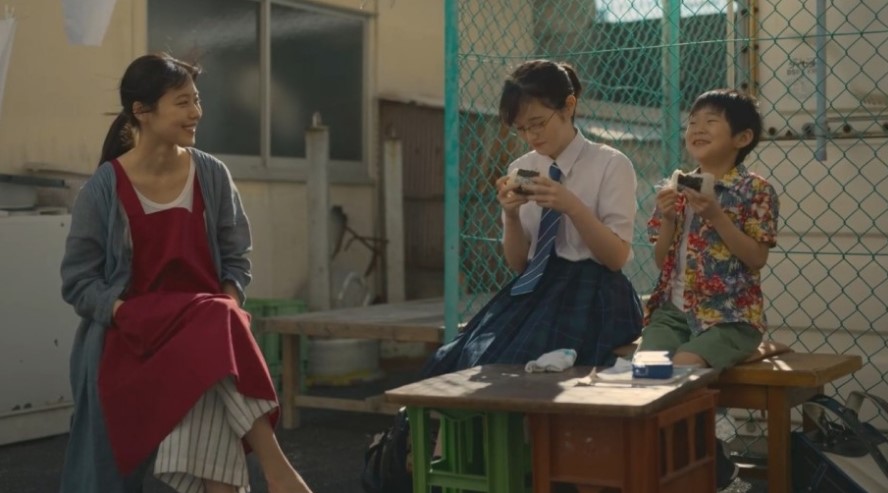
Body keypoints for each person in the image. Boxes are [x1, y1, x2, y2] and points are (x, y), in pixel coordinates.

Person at [59, 53, 313, 493]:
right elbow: (79, 282)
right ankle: (278, 471)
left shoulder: (211, 174)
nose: (196, 112)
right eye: (182, 102)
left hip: (204, 331)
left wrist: (229, 307)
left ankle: (274, 475)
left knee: (213, 344)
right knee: (217, 331)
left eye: (197, 100)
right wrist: (123, 313)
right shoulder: (102, 189)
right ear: (142, 111)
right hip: (133, 334)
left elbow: (236, 258)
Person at [421, 59, 643, 377]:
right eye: (522, 128)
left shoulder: (610, 164)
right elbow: (519, 265)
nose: (531, 136)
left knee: (517, 361)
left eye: (538, 123)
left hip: (595, 289)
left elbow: (616, 257)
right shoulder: (523, 167)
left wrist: (572, 206)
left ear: (568, 106)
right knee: (462, 356)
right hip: (537, 287)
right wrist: (510, 215)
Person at [638, 88, 780, 490]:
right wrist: (669, 219)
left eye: (710, 121)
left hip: (730, 318)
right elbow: (661, 261)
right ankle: (684, 467)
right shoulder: (676, 187)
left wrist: (716, 215)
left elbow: (756, 258)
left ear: (742, 138)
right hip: (673, 313)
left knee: (683, 367)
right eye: (692, 122)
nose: (697, 128)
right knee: (646, 375)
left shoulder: (754, 191)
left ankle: (713, 471)